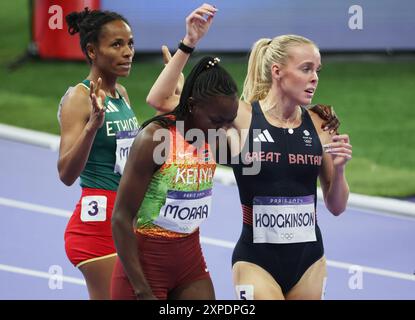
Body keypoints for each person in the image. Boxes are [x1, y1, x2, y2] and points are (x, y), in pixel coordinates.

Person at [145, 20, 350, 299]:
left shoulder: (320, 123)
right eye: (306, 69)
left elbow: (336, 206)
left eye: (317, 70)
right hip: (257, 262)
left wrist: (339, 172)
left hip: (310, 261)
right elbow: (160, 100)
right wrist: (188, 43)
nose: (315, 77)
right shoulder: (242, 116)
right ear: (277, 71)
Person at [110, 5, 235, 300]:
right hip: (144, 263)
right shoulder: (155, 139)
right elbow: (121, 217)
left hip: (189, 259)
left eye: (228, 122)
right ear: (191, 105)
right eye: (217, 122)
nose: (223, 129)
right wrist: (141, 290)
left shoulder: (214, 135)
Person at [57, 8, 138, 299]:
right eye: (116, 45)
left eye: (130, 43)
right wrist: (92, 126)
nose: (127, 52)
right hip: (96, 228)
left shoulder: (122, 95)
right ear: (92, 50)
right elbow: (66, 173)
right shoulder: (78, 97)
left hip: (124, 220)